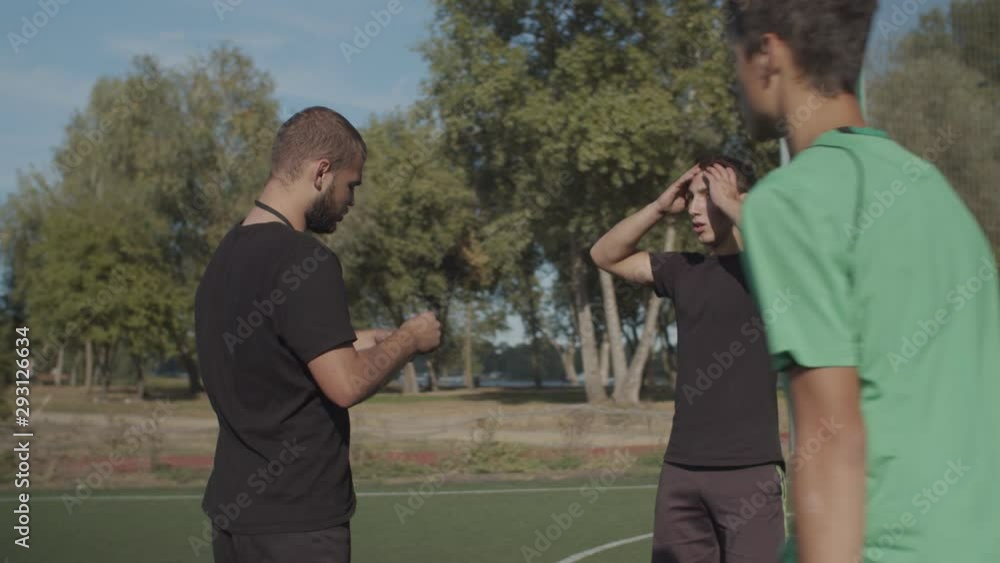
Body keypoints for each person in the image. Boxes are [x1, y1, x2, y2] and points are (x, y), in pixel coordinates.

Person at [719, 1, 1000, 562]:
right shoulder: (936, 194)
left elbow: (831, 444)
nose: (735, 77)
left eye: (734, 55)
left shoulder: (791, 201)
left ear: (768, 54)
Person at [194, 106, 442, 563]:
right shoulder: (305, 261)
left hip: (235, 519)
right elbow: (345, 384)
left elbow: (276, 345)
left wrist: (372, 338)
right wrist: (410, 340)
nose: (351, 201)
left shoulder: (225, 256)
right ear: (322, 172)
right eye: (352, 185)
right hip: (299, 524)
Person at [591, 157, 785, 563]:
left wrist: (733, 204)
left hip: (749, 473)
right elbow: (605, 255)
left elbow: (797, 246)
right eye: (690, 197)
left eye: (706, 195)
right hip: (681, 473)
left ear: (736, 197)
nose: (695, 208)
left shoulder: (775, 267)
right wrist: (660, 208)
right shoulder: (683, 270)